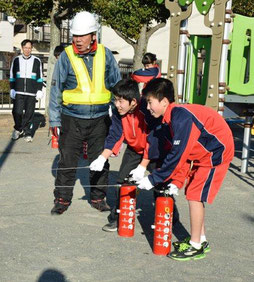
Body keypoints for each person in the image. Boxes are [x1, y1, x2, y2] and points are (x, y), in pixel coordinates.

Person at [136, 78, 234, 261]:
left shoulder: (180, 117)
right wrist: (175, 182)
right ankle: (201, 239)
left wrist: (153, 179)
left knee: (195, 195)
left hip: (216, 153)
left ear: (164, 101)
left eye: (150, 102)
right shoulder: (171, 118)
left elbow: (178, 155)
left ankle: (196, 245)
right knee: (192, 192)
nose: (148, 107)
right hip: (204, 153)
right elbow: (184, 156)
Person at [49, 11, 121, 215]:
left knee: (100, 160)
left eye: (82, 36)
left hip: (100, 119)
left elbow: (116, 86)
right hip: (71, 119)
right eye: (74, 36)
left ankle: (98, 197)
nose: (77, 40)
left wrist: (118, 119)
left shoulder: (105, 54)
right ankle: (62, 199)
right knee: (67, 161)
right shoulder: (66, 56)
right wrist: (54, 119)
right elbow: (56, 90)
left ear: (93, 35)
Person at [89, 78, 166, 232]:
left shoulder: (147, 110)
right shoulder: (119, 113)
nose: (117, 105)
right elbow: (115, 135)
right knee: (123, 183)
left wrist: (142, 167)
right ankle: (117, 219)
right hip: (134, 150)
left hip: (154, 151)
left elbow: (153, 140)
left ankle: (168, 218)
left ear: (133, 101)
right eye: (115, 100)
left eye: (120, 101)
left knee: (161, 186)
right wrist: (102, 157)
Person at [10, 39, 44, 142]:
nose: (27, 50)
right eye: (26, 48)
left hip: (31, 91)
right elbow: (12, 75)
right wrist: (12, 88)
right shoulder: (16, 60)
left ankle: (27, 132)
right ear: (22, 48)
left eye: (29, 48)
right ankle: (18, 128)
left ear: (31, 49)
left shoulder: (37, 60)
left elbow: (40, 76)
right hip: (19, 91)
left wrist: (39, 89)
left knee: (29, 113)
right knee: (17, 112)